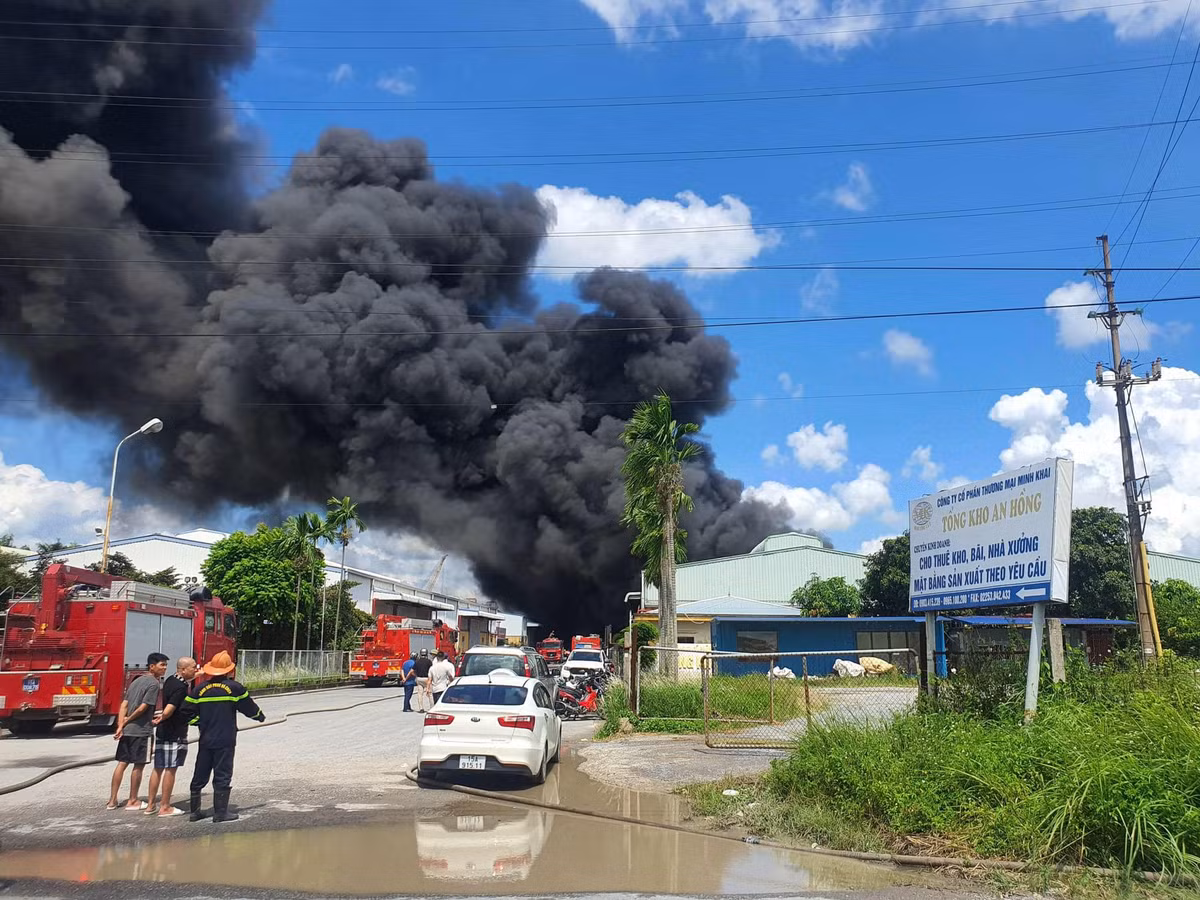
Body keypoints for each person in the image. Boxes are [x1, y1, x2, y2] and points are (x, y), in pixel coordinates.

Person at [184, 650, 265, 824]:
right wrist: (259, 716)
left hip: (206, 738)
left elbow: (185, 712)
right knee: (222, 773)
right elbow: (249, 708)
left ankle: (194, 813)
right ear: (229, 670)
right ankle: (220, 813)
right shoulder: (234, 688)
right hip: (225, 739)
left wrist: (200, 722)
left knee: (200, 772)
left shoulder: (200, 689)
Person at [108, 652, 169, 811]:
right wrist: (127, 721)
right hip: (142, 731)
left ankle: (112, 801)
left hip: (128, 731)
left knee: (122, 763)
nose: (164, 668)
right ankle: (133, 800)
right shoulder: (153, 684)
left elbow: (124, 704)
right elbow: (143, 707)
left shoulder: (136, 681)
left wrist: (121, 725)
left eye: (165, 665)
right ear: (152, 666)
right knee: (138, 766)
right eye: (162, 665)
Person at [145, 656, 198, 817]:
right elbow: (170, 707)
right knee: (170, 769)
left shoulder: (170, 680)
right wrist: (162, 717)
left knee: (158, 768)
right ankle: (165, 806)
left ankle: (150, 805)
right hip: (174, 732)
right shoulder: (181, 687)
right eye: (193, 667)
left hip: (163, 731)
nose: (195, 669)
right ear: (183, 669)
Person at [411, 648, 434, 712]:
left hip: (419, 679)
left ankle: (421, 708)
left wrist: (416, 675)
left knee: (420, 694)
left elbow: (412, 671)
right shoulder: (429, 661)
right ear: (426, 654)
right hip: (427, 679)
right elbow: (432, 670)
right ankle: (432, 707)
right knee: (430, 694)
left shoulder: (417, 662)